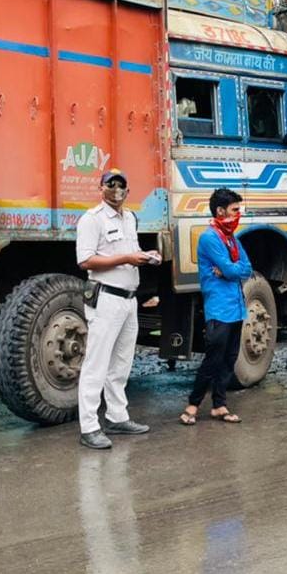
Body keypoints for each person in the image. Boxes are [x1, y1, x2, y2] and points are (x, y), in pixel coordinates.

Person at [76, 168, 160, 450]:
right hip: (106, 298)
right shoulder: (92, 220)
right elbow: (86, 261)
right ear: (101, 188)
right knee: (96, 364)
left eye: (121, 186)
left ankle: (117, 416)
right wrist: (126, 257)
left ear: (127, 191)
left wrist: (148, 257)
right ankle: (89, 427)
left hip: (128, 299)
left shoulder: (130, 218)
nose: (116, 190)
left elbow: (131, 252)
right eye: (110, 185)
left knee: (121, 363)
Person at [180, 188, 253, 425]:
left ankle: (220, 405)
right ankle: (192, 405)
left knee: (229, 358)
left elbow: (247, 268)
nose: (237, 215)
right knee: (213, 359)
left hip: (237, 308)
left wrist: (232, 270)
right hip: (219, 309)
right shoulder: (210, 238)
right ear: (220, 211)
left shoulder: (232, 239)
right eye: (234, 210)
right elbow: (234, 270)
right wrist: (232, 270)